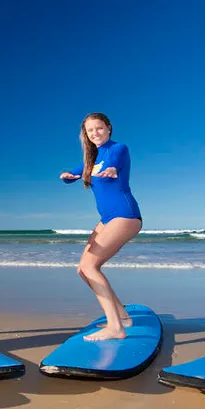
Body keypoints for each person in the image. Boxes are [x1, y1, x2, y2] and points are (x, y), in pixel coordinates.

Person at [60, 113, 142, 341]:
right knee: (83, 269)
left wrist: (112, 170)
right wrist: (67, 176)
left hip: (125, 215)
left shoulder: (118, 148)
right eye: (90, 130)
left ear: (108, 128)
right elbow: (75, 174)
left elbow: (115, 162)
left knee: (90, 267)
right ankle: (123, 317)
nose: (95, 133)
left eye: (99, 128)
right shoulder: (92, 158)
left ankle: (116, 327)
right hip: (106, 219)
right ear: (85, 135)